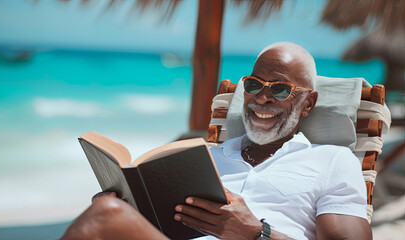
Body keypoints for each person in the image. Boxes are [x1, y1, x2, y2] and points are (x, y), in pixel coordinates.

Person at [60, 42, 372, 240]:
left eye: (280, 89)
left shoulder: (332, 160)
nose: (263, 97)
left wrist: (256, 234)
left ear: (308, 104)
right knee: (107, 213)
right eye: (254, 84)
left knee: (104, 218)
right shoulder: (203, 157)